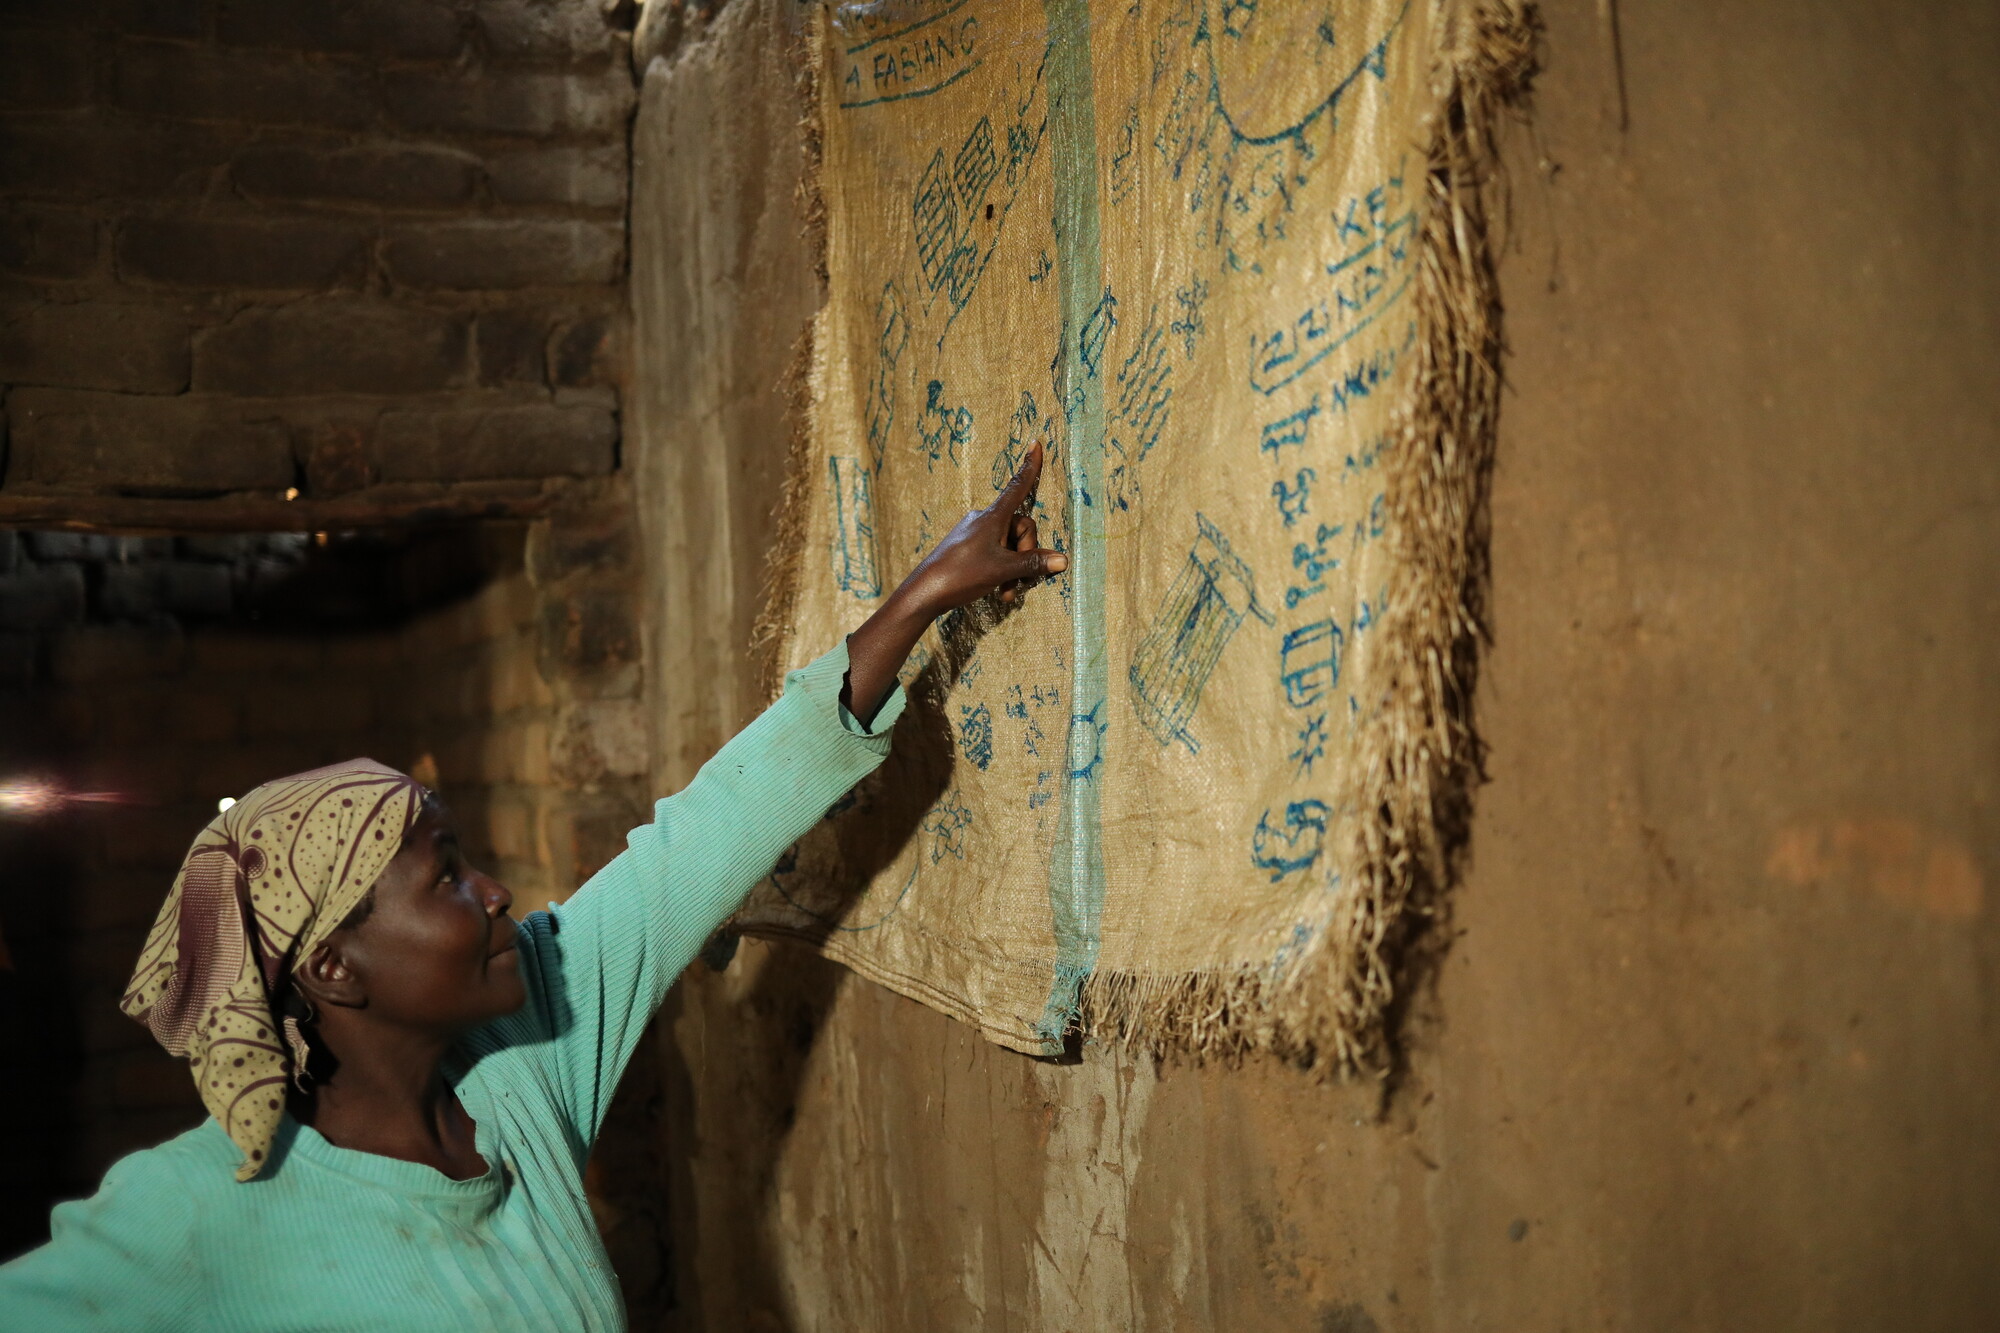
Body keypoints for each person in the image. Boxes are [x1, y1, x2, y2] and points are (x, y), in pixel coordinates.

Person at [0, 445, 1065, 1331]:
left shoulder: (520, 1074)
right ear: (333, 964)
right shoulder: (199, 1210)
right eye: (447, 877)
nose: (498, 892)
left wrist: (920, 596)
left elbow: (702, 838)